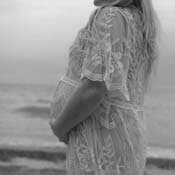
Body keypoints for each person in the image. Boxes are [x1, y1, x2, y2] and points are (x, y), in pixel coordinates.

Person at [49, 0, 159, 174]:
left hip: (100, 135)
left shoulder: (111, 16)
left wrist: (60, 127)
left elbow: (95, 87)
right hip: (119, 134)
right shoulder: (136, 20)